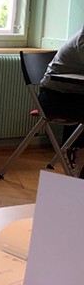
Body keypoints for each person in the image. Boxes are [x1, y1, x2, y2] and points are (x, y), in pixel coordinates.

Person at [38, 25, 84, 174]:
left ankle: (76, 152)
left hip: (72, 95)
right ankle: (76, 152)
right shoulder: (82, 39)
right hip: (53, 99)